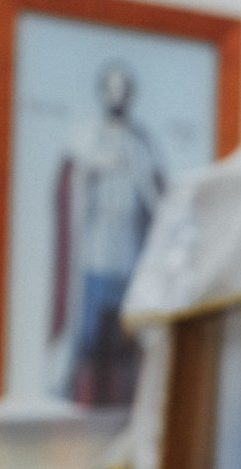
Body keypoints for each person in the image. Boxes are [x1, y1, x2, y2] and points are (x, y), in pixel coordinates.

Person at [52, 58, 167, 405]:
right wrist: (92, 168)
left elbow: (156, 194)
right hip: (95, 251)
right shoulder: (86, 137)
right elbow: (69, 184)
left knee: (124, 332)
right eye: (111, 88)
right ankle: (85, 398)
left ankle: (123, 401)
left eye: (123, 89)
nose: (117, 96)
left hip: (129, 251)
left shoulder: (142, 141)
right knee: (92, 333)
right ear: (103, 92)